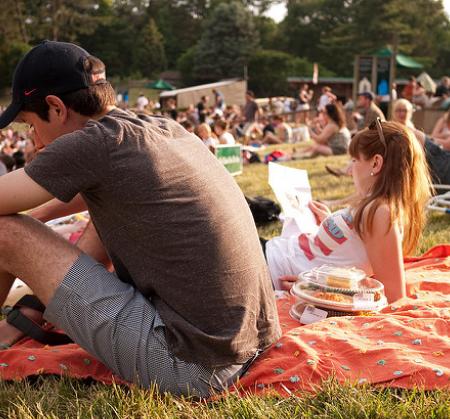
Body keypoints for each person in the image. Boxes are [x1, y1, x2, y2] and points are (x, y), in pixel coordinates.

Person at [0, 41, 280, 397]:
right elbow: (95, 200)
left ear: (55, 108)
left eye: (30, 125)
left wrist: (26, 229)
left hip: (191, 366)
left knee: (4, 232)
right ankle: (27, 317)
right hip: (248, 342)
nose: (33, 138)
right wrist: (36, 222)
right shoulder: (157, 129)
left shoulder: (91, 144)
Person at [264, 120, 432, 302]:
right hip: (272, 256)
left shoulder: (381, 212)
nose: (351, 170)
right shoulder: (376, 207)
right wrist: (329, 222)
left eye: (354, 160)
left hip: (269, 267)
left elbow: (393, 296)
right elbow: (352, 248)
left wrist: (313, 288)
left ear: (376, 163)